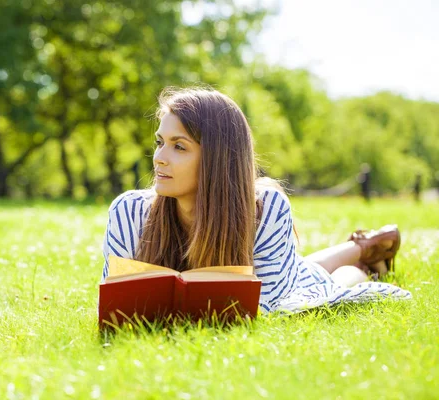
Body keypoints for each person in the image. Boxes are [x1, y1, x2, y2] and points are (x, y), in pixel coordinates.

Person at [101, 88, 411, 313]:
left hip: (291, 281)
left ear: (217, 158)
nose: (159, 158)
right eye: (160, 142)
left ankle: (365, 258)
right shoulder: (129, 211)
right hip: (283, 269)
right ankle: (365, 243)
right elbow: (114, 304)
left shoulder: (265, 207)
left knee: (324, 283)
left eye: (178, 147)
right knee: (303, 267)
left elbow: (271, 304)